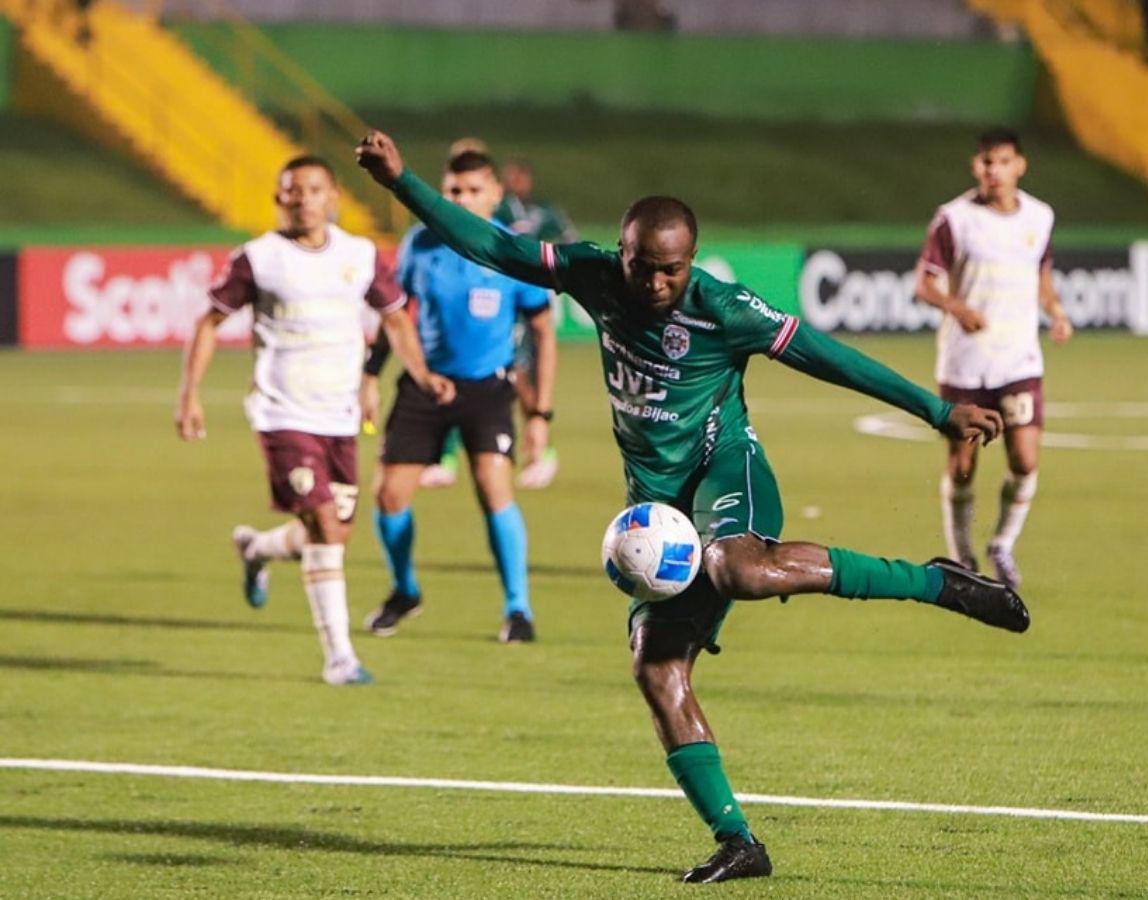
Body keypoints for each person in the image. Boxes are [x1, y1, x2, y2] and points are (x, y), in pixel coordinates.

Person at [356, 129, 1030, 883]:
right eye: (643, 267)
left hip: (726, 469)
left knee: (738, 566)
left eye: (671, 270)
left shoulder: (724, 308)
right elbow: (494, 247)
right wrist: (402, 183)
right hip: (656, 506)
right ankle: (739, 841)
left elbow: (832, 359)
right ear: (622, 252)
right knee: (656, 669)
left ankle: (937, 581)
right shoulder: (593, 275)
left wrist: (938, 413)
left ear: (691, 260)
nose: (655, 284)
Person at [175, 155, 433, 686]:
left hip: (338, 415)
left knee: (334, 532)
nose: (303, 199)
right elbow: (209, 323)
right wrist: (189, 396)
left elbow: (395, 319)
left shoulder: (359, 255)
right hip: (282, 412)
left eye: (314, 189)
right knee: (321, 522)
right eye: (292, 191)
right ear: (279, 199)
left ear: (332, 196)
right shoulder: (259, 258)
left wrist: (422, 377)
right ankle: (339, 656)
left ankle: (257, 548)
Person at [359, 149, 557, 644]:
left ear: (495, 194)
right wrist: (370, 374)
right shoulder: (420, 245)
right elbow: (395, 314)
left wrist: (540, 412)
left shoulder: (513, 250)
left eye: (473, 190)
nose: (462, 199)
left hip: (489, 387)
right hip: (426, 384)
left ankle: (518, 609)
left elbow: (542, 331)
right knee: (389, 494)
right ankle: (405, 591)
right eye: (453, 191)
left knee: (494, 487)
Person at [914, 127, 1073, 589]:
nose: (994, 171)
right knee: (963, 465)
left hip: (1019, 361)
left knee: (1024, 459)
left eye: (1003, 162)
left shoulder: (1040, 217)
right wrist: (958, 309)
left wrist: (1057, 312)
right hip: (965, 363)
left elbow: (1041, 275)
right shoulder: (954, 219)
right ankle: (963, 557)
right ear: (975, 166)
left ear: (1020, 165)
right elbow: (925, 283)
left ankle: (1002, 543)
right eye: (986, 162)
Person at [498, 157, 578, 489]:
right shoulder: (499, 212)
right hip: (505, 298)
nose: (515, 182)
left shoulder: (544, 211)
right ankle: (535, 450)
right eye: (510, 177)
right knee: (513, 375)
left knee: (520, 374)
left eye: (519, 176)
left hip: (532, 299)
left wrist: (552, 264)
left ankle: (541, 450)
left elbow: (570, 241)